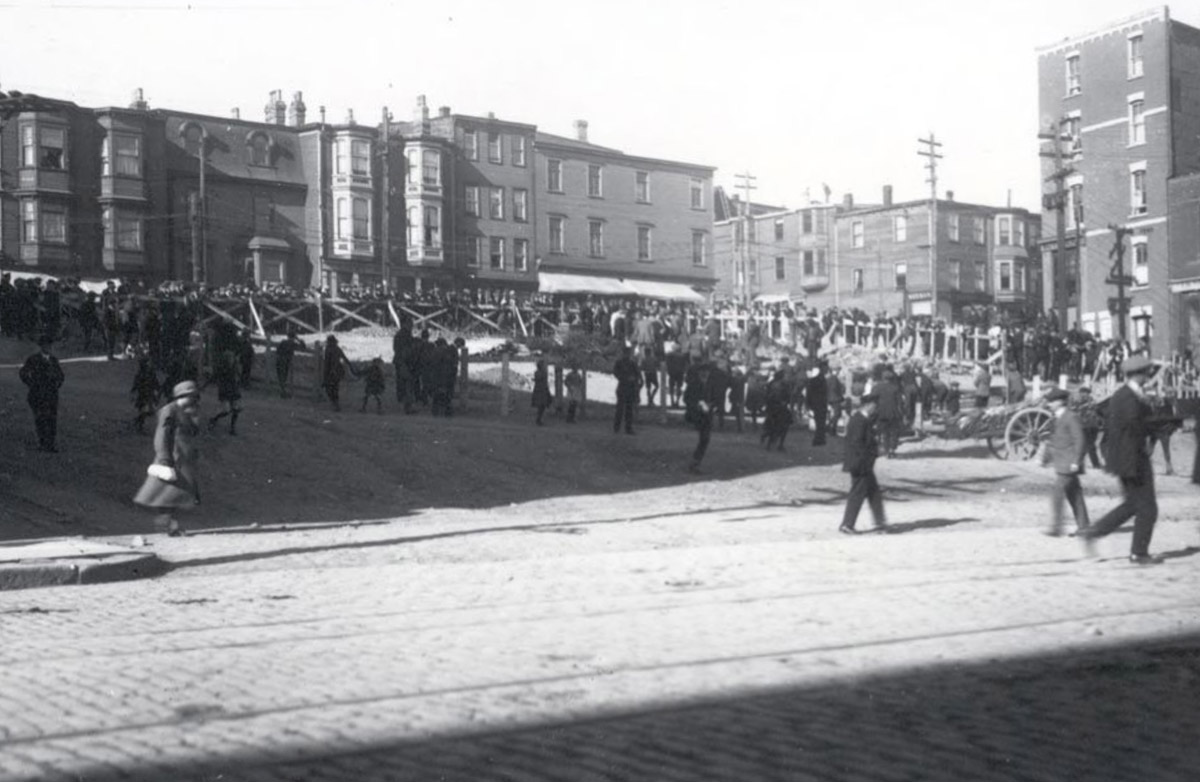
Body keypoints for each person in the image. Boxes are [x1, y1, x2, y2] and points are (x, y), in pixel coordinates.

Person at [1078, 355, 1162, 564]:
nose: (1148, 378)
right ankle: (1138, 553)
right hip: (1133, 459)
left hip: (1125, 458)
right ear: (1140, 374)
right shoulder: (1129, 397)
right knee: (1148, 508)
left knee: (1132, 504)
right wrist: (1152, 431)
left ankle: (1094, 532)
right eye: (1146, 374)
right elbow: (1134, 426)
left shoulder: (1124, 395)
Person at [133, 380, 202, 537]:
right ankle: (167, 524)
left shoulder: (189, 411)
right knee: (167, 493)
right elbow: (161, 436)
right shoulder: (169, 411)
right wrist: (164, 460)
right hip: (172, 459)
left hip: (184, 461)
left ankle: (170, 524)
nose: (195, 400)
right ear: (182, 396)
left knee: (175, 494)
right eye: (191, 397)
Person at [1040, 387, 1090, 537]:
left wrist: (1076, 461)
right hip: (1062, 463)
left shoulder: (1070, 417)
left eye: (1052, 401)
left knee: (1057, 493)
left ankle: (1056, 527)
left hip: (1068, 464)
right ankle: (1084, 527)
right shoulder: (1057, 417)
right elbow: (1054, 440)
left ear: (1060, 402)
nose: (1049, 404)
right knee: (1075, 495)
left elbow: (1080, 440)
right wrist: (1046, 458)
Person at [840, 391, 888, 535]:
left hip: (864, 463)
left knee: (873, 493)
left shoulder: (863, 419)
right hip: (860, 464)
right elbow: (857, 444)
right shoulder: (859, 420)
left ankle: (880, 523)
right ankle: (847, 524)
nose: (876, 408)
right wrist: (869, 457)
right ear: (868, 405)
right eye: (875, 405)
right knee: (857, 493)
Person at [19, 335, 65, 453]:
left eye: (49, 345)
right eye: (45, 345)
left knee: (51, 419)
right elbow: (23, 373)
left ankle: (50, 444)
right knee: (40, 419)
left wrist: (57, 384)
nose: (48, 347)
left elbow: (61, 375)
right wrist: (31, 384)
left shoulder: (54, 360)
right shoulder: (33, 359)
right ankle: (43, 443)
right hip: (37, 394)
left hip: (51, 394)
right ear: (41, 346)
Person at [683, 362, 715, 473]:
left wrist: (710, 405)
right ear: (698, 373)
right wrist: (698, 404)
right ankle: (694, 464)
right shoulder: (693, 384)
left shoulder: (709, 384)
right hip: (697, 415)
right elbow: (686, 399)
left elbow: (712, 398)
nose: (705, 373)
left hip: (707, 415)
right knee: (704, 439)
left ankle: (695, 462)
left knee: (705, 440)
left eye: (707, 372)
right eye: (703, 372)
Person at [206, 347, 242, 435]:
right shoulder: (222, 368)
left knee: (236, 409)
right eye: (229, 358)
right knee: (226, 410)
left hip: (233, 389)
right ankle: (214, 419)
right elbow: (213, 377)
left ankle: (232, 428)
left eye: (232, 358)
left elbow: (238, 376)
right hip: (225, 390)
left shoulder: (234, 367)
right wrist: (204, 386)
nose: (231, 360)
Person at [612, 345, 640, 435]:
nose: (627, 355)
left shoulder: (632, 363)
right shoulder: (620, 362)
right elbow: (615, 372)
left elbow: (637, 374)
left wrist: (634, 380)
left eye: (628, 353)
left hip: (630, 387)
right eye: (626, 353)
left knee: (629, 409)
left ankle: (628, 428)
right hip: (623, 386)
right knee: (620, 409)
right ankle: (617, 427)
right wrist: (623, 378)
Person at [322, 335, 354, 411]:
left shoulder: (328, 349)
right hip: (337, 370)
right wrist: (351, 367)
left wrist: (325, 372)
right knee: (335, 387)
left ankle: (334, 404)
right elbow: (345, 358)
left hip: (330, 370)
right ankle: (336, 404)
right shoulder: (337, 349)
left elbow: (326, 362)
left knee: (329, 387)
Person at [131, 354, 160, 434]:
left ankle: (138, 422)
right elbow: (136, 384)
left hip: (147, 394)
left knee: (147, 411)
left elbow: (155, 382)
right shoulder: (143, 374)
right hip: (144, 395)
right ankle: (139, 424)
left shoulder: (148, 373)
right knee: (145, 411)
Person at [274, 328, 305, 398]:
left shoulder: (283, 342)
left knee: (281, 376)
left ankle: (282, 392)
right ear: (293, 337)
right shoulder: (293, 343)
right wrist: (298, 339)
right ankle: (283, 392)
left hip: (279, 360)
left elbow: (277, 351)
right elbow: (303, 347)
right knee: (284, 376)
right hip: (285, 361)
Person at [807, 364, 829, 446]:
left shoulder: (816, 380)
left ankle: (820, 438)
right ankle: (818, 439)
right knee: (820, 421)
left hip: (818, 403)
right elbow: (810, 393)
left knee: (820, 421)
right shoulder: (818, 380)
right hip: (819, 403)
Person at [531, 358, 552, 425]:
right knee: (541, 405)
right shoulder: (542, 373)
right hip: (541, 390)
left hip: (540, 389)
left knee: (542, 405)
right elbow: (542, 380)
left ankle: (539, 419)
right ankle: (538, 419)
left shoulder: (537, 373)